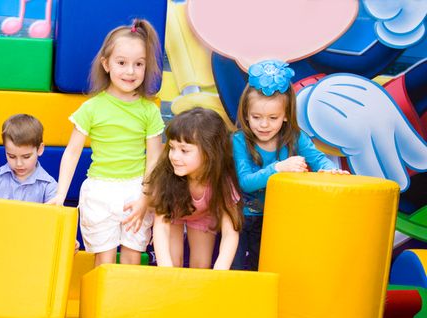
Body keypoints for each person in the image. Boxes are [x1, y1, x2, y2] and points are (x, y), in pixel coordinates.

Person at [48, 18, 165, 267]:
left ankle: (125, 306)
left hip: (136, 188)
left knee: (133, 257)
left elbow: (155, 157)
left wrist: (146, 196)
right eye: (122, 63)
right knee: (104, 261)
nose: (130, 71)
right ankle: (103, 306)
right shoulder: (91, 108)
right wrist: (60, 194)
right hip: (100, 190)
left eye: (138, 64)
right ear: (106, 64)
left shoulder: (149, 110)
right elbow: (72, 152)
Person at [232, 59, 349, 270]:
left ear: (285, 116)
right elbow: (245, 182)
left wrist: (331, 171)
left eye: (273, 117)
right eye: (256, 117)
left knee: (268, 269)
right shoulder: (240, 140)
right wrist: (278, 168)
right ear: (246, 114)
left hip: (279, 220)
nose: (264, 124)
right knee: (238, 269)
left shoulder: (296, 138)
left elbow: (318, 159)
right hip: (242, 220)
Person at [148, 107, 243, 270]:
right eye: (172, 147)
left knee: (201, 266)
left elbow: (230, 230)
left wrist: (220, 269)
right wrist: (165, 270)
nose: (175, 156)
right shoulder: (166, 174)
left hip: (202, 216)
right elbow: (161, 225)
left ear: (209, 153)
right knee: (172, 262)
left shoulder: (222, 181)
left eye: (184, 150)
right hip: (173, 215)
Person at [0, 114, 58, 203]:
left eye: (26, 157)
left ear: (40, 149)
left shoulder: (49, 186)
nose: (19, 164)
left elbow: (54, 216)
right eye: (11, 156)